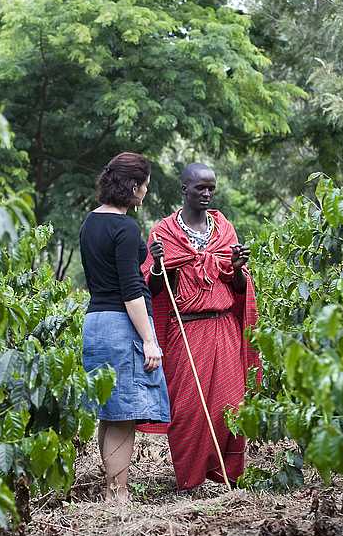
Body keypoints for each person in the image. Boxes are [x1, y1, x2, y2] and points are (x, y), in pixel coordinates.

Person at [138, 162, 260, 490]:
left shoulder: (224, 230)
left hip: (224, 328)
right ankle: (190, 481)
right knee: (188, 409)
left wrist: (237, 268)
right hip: (186, 330)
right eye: (200, 188)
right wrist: (160, 265)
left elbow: (237, 287)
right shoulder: (164, 232)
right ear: (185, 190)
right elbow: (154, 289)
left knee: (230, 404)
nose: (206, 194)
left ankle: (225, 477)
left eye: (211, 189)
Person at [78, 152, 171, 503]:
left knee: (109, 410)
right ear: (133, 186)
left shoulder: (90, 222)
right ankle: (118, 495)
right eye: (145, 184)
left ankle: (112, 491)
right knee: (122, 415)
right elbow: (131, 290)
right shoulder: (126, 227)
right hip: (121, 324)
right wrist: (149, 340)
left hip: (95, 323)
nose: (146, 191)